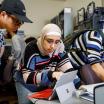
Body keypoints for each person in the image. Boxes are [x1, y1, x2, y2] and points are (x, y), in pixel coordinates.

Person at [15, 23, 74, 104]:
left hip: (42, 80)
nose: (53, 46)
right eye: (49, 41)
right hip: (25, 83)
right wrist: (51, 74)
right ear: (42, 38)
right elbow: (27, 77)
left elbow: (69, 71)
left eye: (57, 42)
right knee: (27, 103)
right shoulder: (31, 48)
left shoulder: (59, 48)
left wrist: (78, 84)